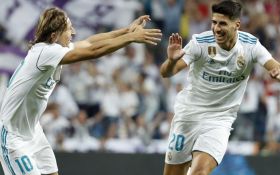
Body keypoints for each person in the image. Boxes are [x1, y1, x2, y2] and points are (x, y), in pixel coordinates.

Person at [0, 7, 161, 175]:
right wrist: (130, 38)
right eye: (69, 29)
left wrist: (127, 30)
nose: (74, 32)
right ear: (54, 36)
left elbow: (90, 42)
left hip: (33, 131)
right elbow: (93, 51)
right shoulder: (45, 52)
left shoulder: (52, 49)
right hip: (13, 137)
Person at [160, 1, 280, 175]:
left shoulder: (251, 46)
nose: (216, 28)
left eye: (222, 23)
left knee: (198, 172)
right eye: (214, 22)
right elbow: (166, 73)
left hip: (219, 121)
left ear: (236, 24)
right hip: (188, 116)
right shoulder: (200, 43)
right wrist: (171, 61)